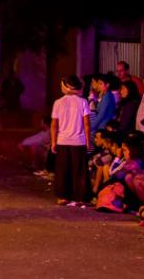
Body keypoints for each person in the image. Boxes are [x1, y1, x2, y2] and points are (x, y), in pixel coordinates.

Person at [50, 75, 91, 206]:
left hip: (62, 141)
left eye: (63, 85)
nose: (61, 87)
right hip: (79, 141)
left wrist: (53, 142)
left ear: (68, 86)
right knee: (78, 170)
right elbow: (86, 124)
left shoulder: (58, 102)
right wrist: (88, 141)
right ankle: (79, 197)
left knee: (63, 170)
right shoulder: (83, 101)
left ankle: (63, 197)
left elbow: (54, 125)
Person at [91, 74, 117, 145]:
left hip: (103, 126)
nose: (99, 86)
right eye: (98, 83)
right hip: (101, 125)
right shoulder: (105, 95)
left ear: (107, 85)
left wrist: (90, 126)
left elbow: (101, 115)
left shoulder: (107, 97)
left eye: (101, 84)